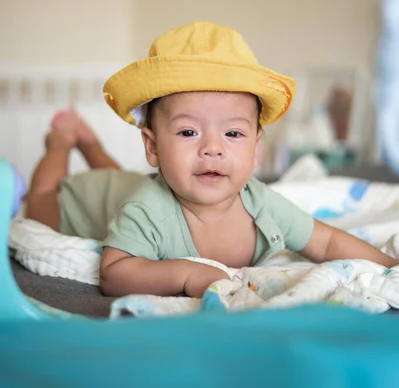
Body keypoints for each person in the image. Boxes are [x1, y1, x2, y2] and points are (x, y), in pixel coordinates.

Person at [26, 22, 397, 300]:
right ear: (152, 147)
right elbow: (115, 274)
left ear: (255, 149)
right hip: (83, 201)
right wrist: (184, 274)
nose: (212, 149)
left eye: (233, 134)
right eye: (189, 133)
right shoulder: (147, 209)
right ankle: (62, 142)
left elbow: (328, 242)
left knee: (119, 178)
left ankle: (90, 142)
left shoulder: (261, 204)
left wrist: (391, 269)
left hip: (121, 185)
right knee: (40, 198)